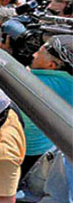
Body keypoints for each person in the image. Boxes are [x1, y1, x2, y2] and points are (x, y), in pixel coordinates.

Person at [20, 36, 73, 170]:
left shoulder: (31, 84)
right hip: (49, 147)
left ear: (51, 65)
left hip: (25, 149)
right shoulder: (68, 81)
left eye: (39, 52)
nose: (34, 54)